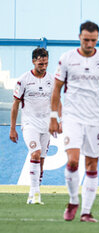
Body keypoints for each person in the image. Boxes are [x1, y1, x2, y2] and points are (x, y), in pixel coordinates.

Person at [50, 21, 99, 222]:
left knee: (92, 164)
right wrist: (54, 117)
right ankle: (73, 201)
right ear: (79, 37)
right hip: (72, 117)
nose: (89, 43)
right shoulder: (67, 59)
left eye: (93, 40)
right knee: (72, 160)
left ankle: (86, 212)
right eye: (86, 39)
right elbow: (56, 89)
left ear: (97, 39)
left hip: (95, 119)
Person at [10, 48, 56, 205]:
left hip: (47, 126)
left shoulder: (51, 79)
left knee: (41, 161)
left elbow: (56, 101)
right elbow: (15, 105)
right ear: (34, 61)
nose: (44, 66)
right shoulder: (23, 80)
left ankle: (35, 192)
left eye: (46, 63)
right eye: (41, 63)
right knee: (35, 154)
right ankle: (34, 193)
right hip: (30, 124)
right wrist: (12, 128)